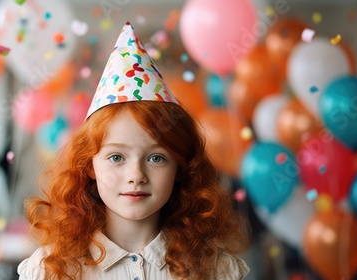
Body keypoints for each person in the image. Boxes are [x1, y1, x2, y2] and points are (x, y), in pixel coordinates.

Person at [17, 22, 251, 280]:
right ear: (89, 165)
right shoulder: (51, 270)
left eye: (156, 158)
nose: (136, 175)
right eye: (116, 157)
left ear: (180, 168)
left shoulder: (216, 270)